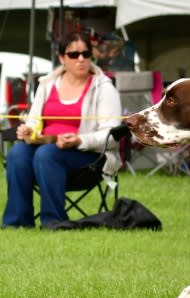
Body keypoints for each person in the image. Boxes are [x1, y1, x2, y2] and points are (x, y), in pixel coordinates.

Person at [2, 32, 122, 229]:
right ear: (62, 58)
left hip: (90, 158)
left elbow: (112, 135)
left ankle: (54, 222)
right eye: (74, 55)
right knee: (17, 153)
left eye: (85, 53)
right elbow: (33, 120)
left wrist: (79, 141)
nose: (81, 59)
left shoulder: (104, 88)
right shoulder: (47, 84)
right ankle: (17, 222)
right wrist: (28, 131)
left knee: (46, 154)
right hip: (46, 146)